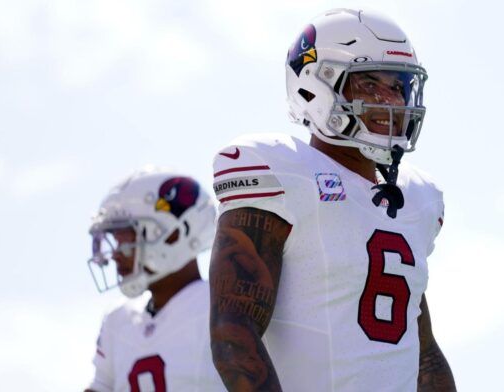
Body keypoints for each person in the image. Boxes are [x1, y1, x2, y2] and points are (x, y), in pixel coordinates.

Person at [209, 8, 456, 391]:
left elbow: (422, 351)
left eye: (397, 86)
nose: (389, 100)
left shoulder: (416, 199)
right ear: (314, 88)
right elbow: (233, 334)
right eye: (369, 83)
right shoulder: (283, 172)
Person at [84, 168, 225, 391]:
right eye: (115, 240)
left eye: (126, 238)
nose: (115, 253)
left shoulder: (222, 307)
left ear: (174, 234)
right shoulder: (117, 321)